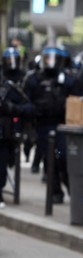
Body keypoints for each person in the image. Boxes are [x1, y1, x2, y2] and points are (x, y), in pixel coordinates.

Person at [24, 45, 75, 201]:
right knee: (49, 159)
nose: (50, 62)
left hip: (63, 126)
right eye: (47, 59)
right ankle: (55, 192)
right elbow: (26, 102)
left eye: (53, 59)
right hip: (43, 126)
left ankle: (73, 190)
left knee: (62, 157)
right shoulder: (34, 79)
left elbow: (78, 100)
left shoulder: (67, 79)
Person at [0, 47, 34, 209]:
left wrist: (14, 109)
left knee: (7, 159)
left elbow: (29, 105)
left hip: (11, 128)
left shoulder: (22, 79)